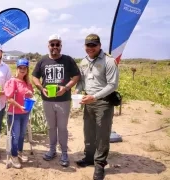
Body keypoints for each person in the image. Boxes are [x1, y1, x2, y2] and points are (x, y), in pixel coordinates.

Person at [75, 33, 119, 180]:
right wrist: (77, 90)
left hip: (103, 103)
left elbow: (113, 85)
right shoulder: (83, 62)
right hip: (88, 102)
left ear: (99, 45)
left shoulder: (109, 61)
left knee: (102, 134)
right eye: (88, 45)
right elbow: (81, 81)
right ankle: (89, 158)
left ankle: (99, 164)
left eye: (94, 45)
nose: (91, 48)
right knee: (88, 132)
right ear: (85, 46)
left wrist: (94, 97)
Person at [32, 34, 81, 167]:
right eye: (52, 44)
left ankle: (64, 152)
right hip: (47, 100)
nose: (54, 47)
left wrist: (65, 88)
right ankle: (52, 150)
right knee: (51, 127)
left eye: (57, 44)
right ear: (48, 46)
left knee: (62, 127)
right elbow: (35, 77)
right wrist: (41, 88)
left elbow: (76, 76)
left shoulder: (68, 60)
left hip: (63, 100)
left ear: (61, 46)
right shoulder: (42, 61)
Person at [4, 58, 34, 169]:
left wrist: (30, 93)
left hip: (25, 112)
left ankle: (20, 152)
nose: (22, 70)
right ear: (17, 69)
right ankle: (14, 155)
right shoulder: (12, 81)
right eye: (20, 68)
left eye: (24, 68)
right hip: (14, 113)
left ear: (27, 70)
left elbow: (30, 95)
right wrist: (19, 106)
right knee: (15, 136)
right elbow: (9, 98)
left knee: (22, 134)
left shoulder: (27, 83)